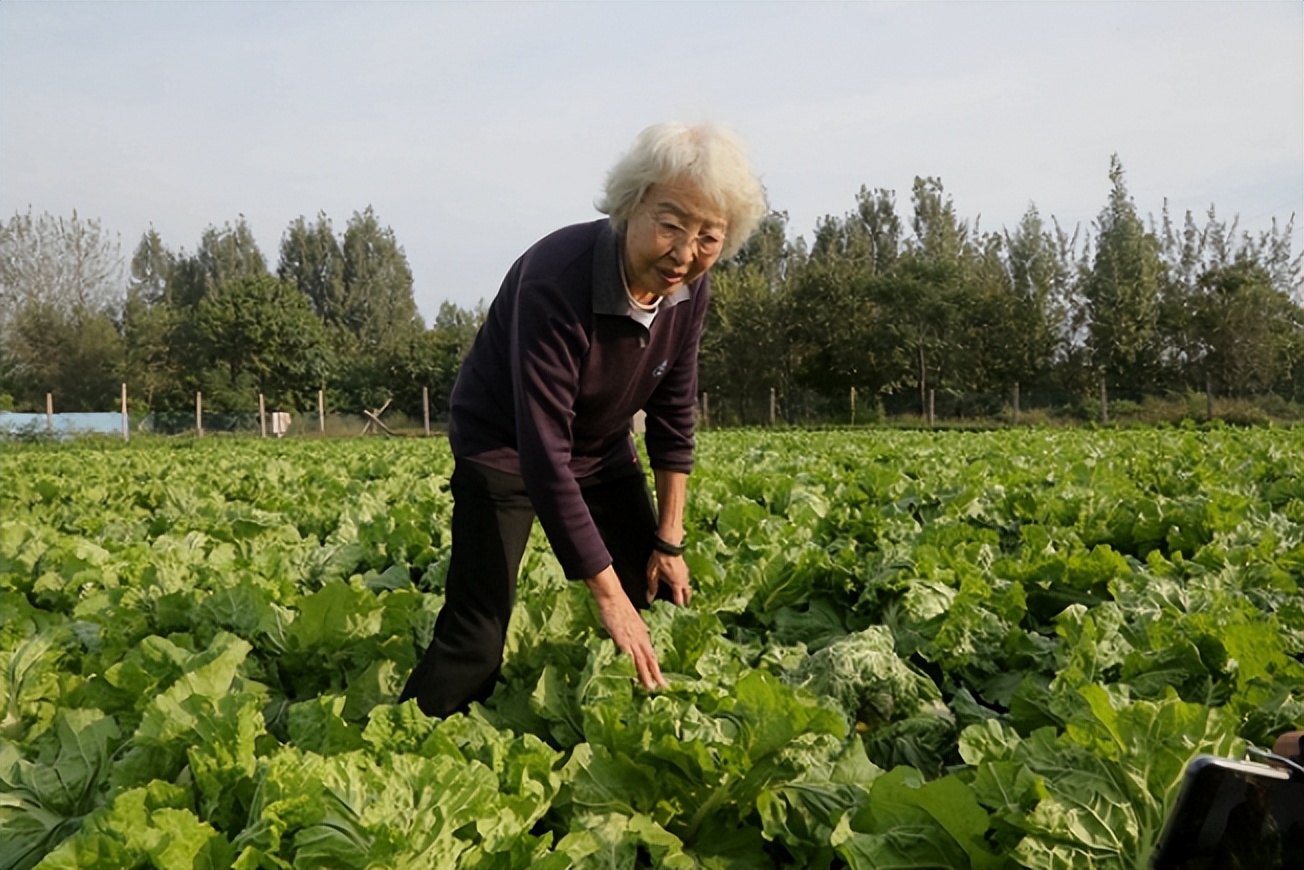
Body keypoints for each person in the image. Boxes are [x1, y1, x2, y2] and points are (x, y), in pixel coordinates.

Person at [398, 122, 767, 717]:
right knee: (479, 633)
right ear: (630, 205)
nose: (684, 253)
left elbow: (674, 411)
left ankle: (639, 730)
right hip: (505, 447)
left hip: (598, 445)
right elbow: (543, 453)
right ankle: (403, 743)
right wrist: (606, 595)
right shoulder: (558, 277)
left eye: (709, 236)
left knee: (657, 591)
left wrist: (668, 541)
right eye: (670, 224)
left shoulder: (690, 289)